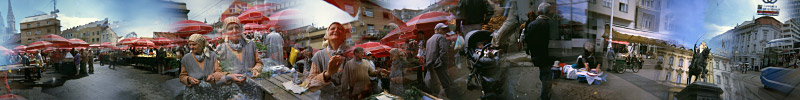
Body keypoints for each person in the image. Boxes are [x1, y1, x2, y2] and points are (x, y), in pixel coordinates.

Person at [179, 34, 246, 99]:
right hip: (193, 90)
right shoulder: (186, 58)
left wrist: (213, 76)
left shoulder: (212, 55)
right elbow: (182, 77)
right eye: (190, 44)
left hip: (210, 88)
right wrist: (189, 79)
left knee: (233, 90)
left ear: (201, 45)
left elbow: (218, 71)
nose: (191, 47)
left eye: (194, 44)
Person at [302, 22, 350, 100]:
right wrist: (327, 74)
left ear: (344, 35)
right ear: (327, 35)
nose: (336, 30)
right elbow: (310, 83)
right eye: (332, 28)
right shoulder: (319, 55)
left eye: (340, 29)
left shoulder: (351, 53)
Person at [525, 2, 558, 100]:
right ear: (548, 12)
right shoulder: (552, 24)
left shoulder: (532, 24)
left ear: (539, 12)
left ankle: (546, 90)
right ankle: (545, 97)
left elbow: (527, 40)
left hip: (536, 55)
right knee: (546, 75)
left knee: (543, 73)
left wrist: (529, 51)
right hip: (548, 55)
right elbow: (555, 41)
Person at [424, 23, 460, 100]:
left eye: (445, 29)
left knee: (435, 85)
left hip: (431, 65)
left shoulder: (429, 40)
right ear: (437, 30)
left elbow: (426, 54)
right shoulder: (441, 37)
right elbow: (444, 52)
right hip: (439, 65)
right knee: (446, 85)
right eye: (443, 29)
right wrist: (442, 63)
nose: (445, 31)